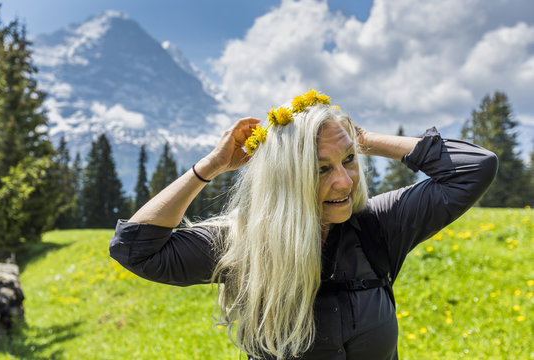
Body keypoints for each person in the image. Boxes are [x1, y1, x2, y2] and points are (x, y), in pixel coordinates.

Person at [109, 90, 498, 360]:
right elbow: (135, 248)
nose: (344, 182)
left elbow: (474, 168)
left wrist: (360, 139)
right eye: (320, 169)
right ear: (285, 180)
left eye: (348, 161)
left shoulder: (379, 225)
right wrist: (209, 167)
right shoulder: (244, 243)